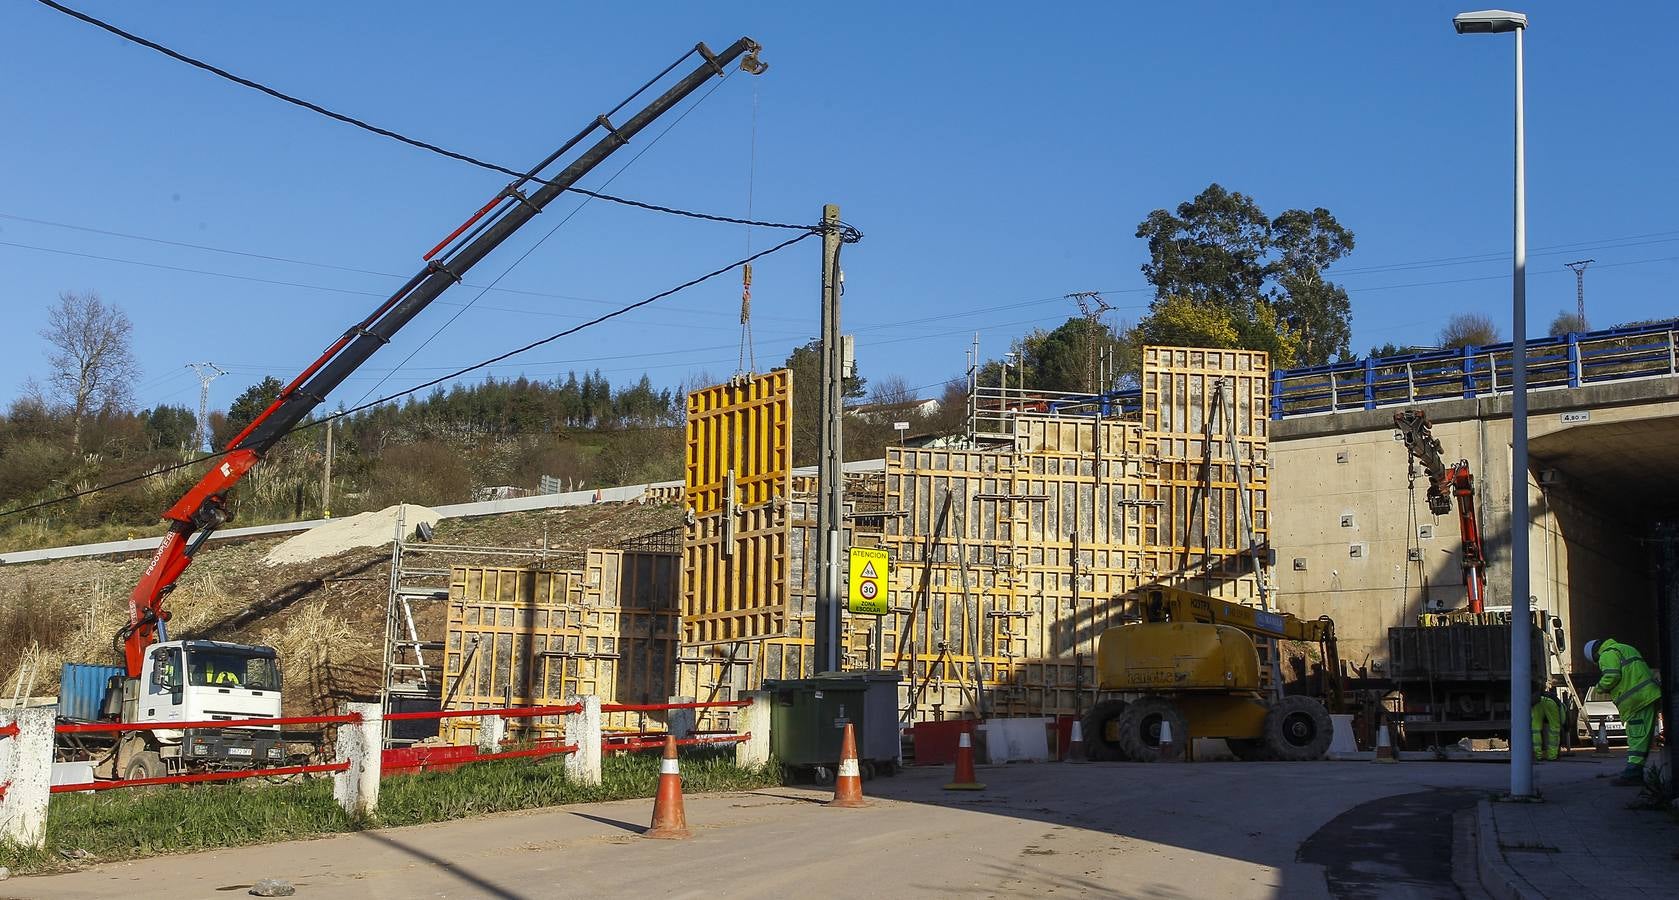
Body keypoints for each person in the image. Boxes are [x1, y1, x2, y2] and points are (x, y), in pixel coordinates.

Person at [1583, 638, 1661, 786]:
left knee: (1636, 736)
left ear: (1594, 655)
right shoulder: (1625, 648)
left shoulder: (1607, 654)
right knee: (1642, 735)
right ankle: (1636, 771)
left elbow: (1612, 675)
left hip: (1636, 701)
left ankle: (1633, 773)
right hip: (1646, 696)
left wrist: (1599, 687)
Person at [1530, 687, 1563, 761]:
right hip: (1550, 703)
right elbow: (1563, 721)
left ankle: (1537, 755)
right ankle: (1552, 756)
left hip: (1538, 701)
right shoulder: (1561, 707)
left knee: (1536, 729)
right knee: (1555, 729)